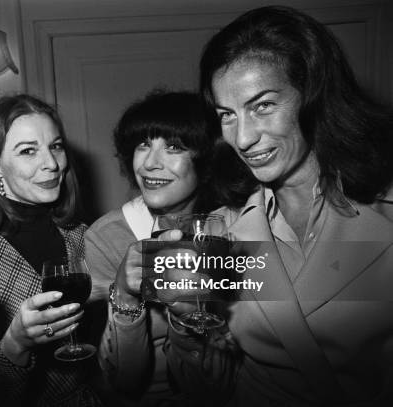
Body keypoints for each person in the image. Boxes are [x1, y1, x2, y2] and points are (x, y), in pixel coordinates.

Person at [165, 6, 393, 406]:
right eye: (227, 115)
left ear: (313, 95)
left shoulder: (385, 209)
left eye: (263, 105)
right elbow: (205, 387)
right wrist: (186, 322)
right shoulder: (220, 231)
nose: (244, 137)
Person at [85, 91, 247, 406]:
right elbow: (124, 383)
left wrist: (190, 316)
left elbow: (220, 387)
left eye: (173, 147)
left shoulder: (234, 230)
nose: (149, 163)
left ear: (207, 157)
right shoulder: (107, 237)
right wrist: (125, 294)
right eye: (142, 145)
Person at [0, 94, 101, 406]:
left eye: (55, 146)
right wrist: (15, 344)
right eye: (28, 151)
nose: (52, 164)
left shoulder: (84, 237)